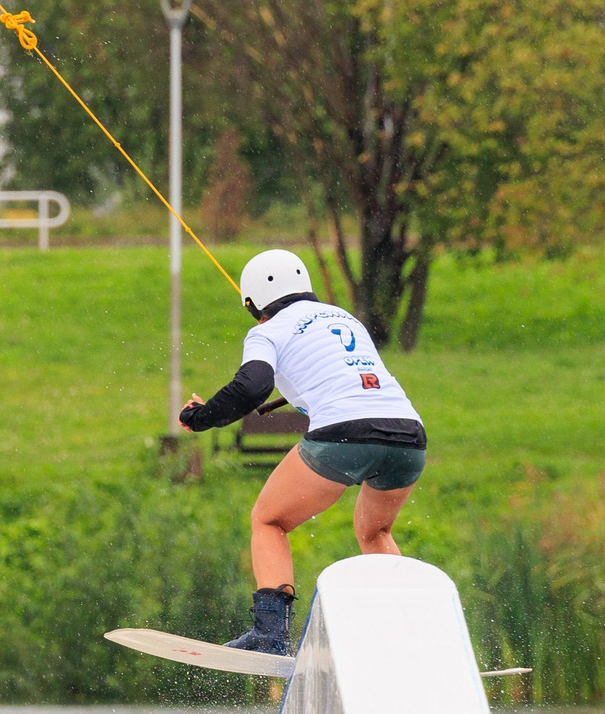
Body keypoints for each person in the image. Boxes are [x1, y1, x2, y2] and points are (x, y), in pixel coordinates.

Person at [174, 248, 427, 656]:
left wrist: (201, 416)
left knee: (268, 520)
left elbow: (252, 387)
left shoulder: (266, 331)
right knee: (374, 531)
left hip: (344, 434)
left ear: (253, 302)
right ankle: (408, 636)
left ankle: (270, 635)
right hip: (408, 436)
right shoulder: (345, 318)